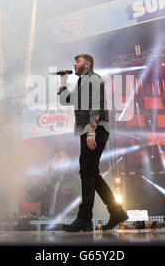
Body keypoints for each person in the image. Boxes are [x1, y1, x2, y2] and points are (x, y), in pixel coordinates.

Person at [58, 54, 128, 232]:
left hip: (94, 130)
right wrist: (63, 81)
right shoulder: (82, 83)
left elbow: (96, 104)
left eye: (78, 62)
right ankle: (116, 211)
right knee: (91, 173)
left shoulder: (94, 79)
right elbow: (64, 100)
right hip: (90, 130)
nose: (74, 64)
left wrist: (91, 131)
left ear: (87, 64)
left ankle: (84, 219)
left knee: (87, 173)